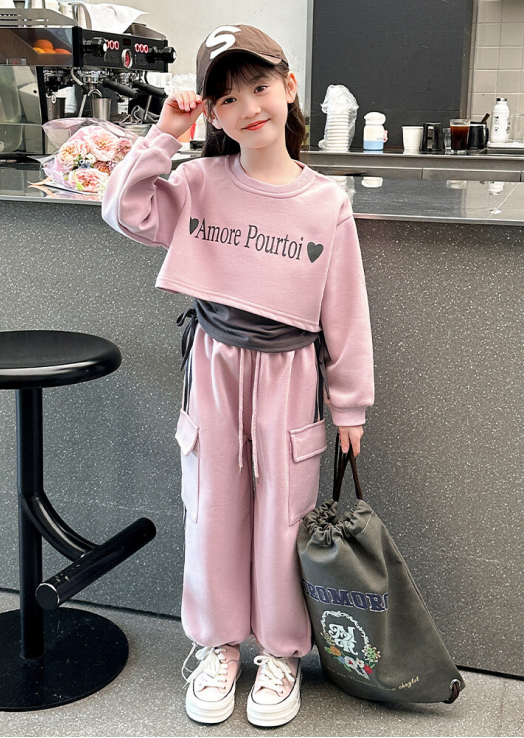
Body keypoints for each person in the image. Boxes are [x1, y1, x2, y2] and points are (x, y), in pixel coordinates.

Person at [102, 24, 374, 728]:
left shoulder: (326, 202)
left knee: (286, 513)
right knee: (211, 504)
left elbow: (345, 311)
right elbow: (123, 209)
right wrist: (165, 136)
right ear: (213, 113)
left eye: (259, 86)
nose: (248, 106)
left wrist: (350, 405)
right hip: (215, 365)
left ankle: (281, 652)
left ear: (289, 87)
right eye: (226, 97)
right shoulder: (198, 182)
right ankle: (218, 645)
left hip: (291, 373)